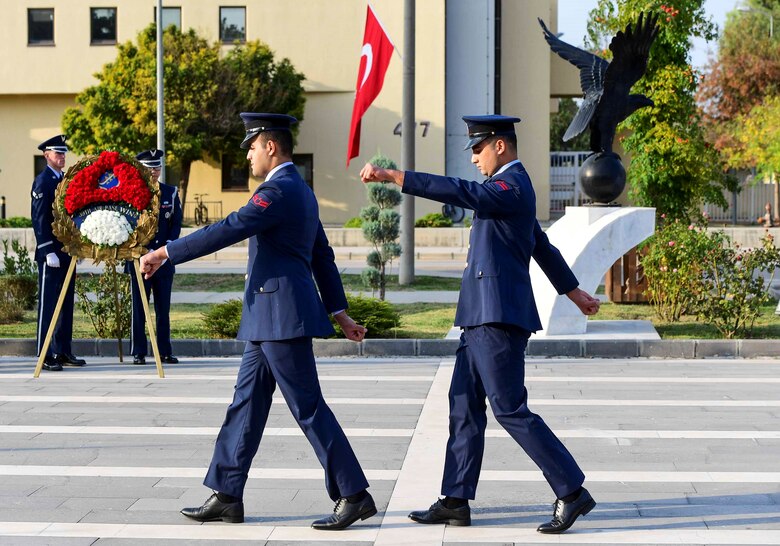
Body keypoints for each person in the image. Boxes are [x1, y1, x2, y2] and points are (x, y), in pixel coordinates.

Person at [360, 114, 601, 535]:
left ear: (501, 146)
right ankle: (455, 500)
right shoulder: (507, 187)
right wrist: (573, 291)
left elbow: (461, 191)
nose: (473, 157)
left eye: (478, 148)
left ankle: (572, 490)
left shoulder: (511, 184)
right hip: (479, 316)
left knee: (510, 409)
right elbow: (539, 244)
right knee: (463, 405)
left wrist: (395, 175)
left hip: (498, 317)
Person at [140, 113, 376, 530]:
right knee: (245, 406)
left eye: (252, 146)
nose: (247, 154)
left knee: (308, 407)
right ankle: (227, 494)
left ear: (271, 147)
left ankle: (353, 494)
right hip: (269, 318)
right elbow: (321, 255)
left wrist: (166, 252)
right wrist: (339, 312)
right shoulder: (301, 190)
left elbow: (230, 227)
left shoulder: (279, 191)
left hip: (280, 316)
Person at [31, 135, 86, 372]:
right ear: (47, 156)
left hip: (66, 252)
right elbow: (39, 218)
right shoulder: (43, 182)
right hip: (51, 254)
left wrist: (77, 245)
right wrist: (47, 250)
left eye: (64, 153)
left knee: (65, 304)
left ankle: (63, 350)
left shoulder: (65, 180)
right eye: (57, 153)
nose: (61, 157)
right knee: (48, 305)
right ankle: (44, 353)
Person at [124, 150, 182, 365]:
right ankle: (138, 352)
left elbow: (175, 224)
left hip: (164, 260)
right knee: (139, 307)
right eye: (149, 168)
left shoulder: (171, 192)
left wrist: (165, 250)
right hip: (139, 258)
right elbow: (127, 226)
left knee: (163, 309)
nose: (154, 172)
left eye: (157, 167)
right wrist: (144, 250)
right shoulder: (131, 193)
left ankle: (164, 351)